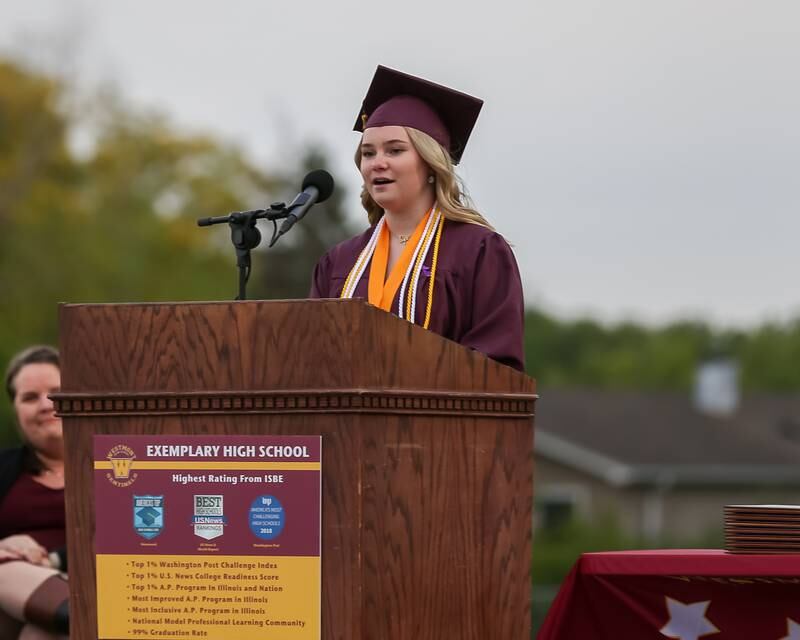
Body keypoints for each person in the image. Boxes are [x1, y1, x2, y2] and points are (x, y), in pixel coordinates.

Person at [310, 65, 525, 371]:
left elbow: (496, 368)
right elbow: (311, 358)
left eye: (395, 151)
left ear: (430, 163)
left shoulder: (478, 252)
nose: (377, 163)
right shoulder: (339, 262)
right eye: (369, 153)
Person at [0, 346, 69, 639]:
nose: (45, 404)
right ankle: (91, 617)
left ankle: (78, 614)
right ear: (15, 412)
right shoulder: (3, 467)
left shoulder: (120, 465)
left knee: (40, 630)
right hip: (11, 588)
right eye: (30, 397)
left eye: (55, 391)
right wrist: (5, 544)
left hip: (96, 579)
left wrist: (54, 560)